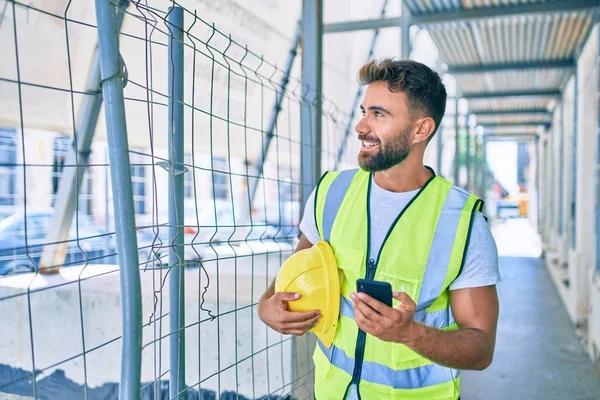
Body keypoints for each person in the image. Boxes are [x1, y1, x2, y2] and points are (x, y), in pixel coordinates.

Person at [258, 58, 500, 400]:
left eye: (378, 114)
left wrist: (409, 333)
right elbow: (297, 270)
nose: (360, 126)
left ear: (420, 130)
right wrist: (267, 304)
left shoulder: (463, 223)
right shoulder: (331, 192)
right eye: (363, 111)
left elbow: (480, 349)